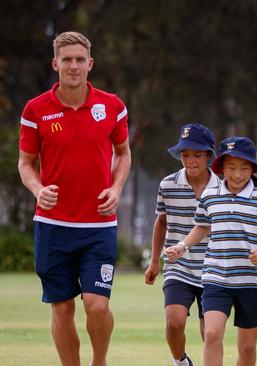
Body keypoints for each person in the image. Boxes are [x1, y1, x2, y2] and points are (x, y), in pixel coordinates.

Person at [17, 31, 131, 366]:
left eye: (80, 59)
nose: (73, 66)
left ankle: (99, 361)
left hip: (99, 225)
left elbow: (124, 154)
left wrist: (117, 188)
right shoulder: (35, 110)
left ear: (90, 64)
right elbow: (25, 163)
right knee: (62, 307)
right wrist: (39, 190)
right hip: (53, 227)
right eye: (66, 59)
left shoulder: (112, 106)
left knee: (97, 305)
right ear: (55, 64)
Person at [165, 136, 257, 366]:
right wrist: (183, 246)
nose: (237, 174)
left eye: (244, 168)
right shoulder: (210, 196)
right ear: (221, 168)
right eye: (231, 167)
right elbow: (202, 225)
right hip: (216, 278)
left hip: (250, 281)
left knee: (247, 347)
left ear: (252, 169)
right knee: (212, 334)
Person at [144, 123, 221, 366]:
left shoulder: (223, 188)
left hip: (214, 268)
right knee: (174, 322)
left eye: (197, 155)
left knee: (209, 331)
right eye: (185, 155)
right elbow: (161, 222)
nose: (190, 160)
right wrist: (154, 262)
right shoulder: (168, 184)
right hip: (179, 265)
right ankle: (181, 362)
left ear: (209, 155)